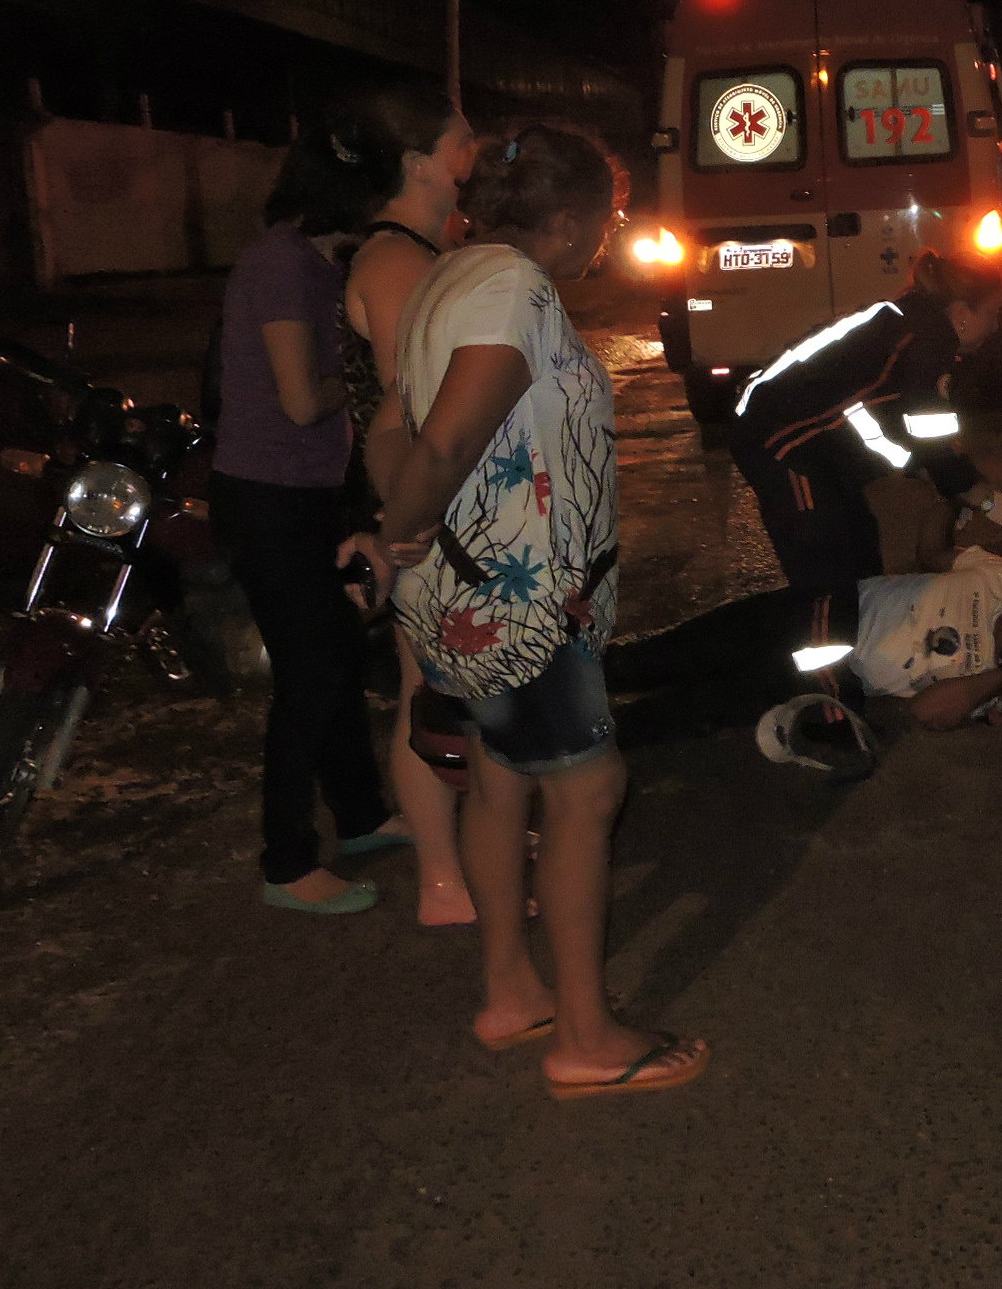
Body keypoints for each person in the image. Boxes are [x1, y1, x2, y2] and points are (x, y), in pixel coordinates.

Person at [369, 122, 708, 1099]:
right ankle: (588, 1041)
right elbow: (441, 448)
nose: (607, 239)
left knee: (498, 779)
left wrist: (399, 534)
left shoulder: (446, 275)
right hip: (516, 604)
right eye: (605, 221)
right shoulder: (511, 287)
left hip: (461, 586)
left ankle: (512, 992)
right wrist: (396, 529)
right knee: (586, 793)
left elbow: (392, 426)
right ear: (564, 220)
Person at [211, 120, 398, 914]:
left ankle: (359, 817)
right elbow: (299, 399)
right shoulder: (283, 267)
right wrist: (383, 377)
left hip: (312, 490)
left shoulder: (321, 264)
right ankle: (286, 862)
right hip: (268, 495)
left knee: (337, 659)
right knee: (311, 672)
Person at [727, 252, 1002, 702]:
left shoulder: (906, 322)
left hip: (801, 443)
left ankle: (856, 668)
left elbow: (881, 426)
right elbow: (931, 437)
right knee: (827, 578)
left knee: (860, 549)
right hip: (785, 447)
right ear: (962, 314)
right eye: (994, 312)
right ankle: (828, 708)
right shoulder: (928, 337)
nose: (998, 325)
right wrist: (981, 497)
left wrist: (946, 483)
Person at [333, 83, 482, 926]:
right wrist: (411, 520)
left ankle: (464, 859)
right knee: (426, 685)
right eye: (460, 139)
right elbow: (407, 404)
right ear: (419, 163)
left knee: (451, 678)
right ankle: (443, 880)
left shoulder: (418, 252)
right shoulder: (393, 263)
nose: (475, 149)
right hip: (414, 500)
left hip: (429, 494)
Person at [607, 506, 1002, 754]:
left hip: (834, 673)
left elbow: (928, 711)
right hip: (830, 609)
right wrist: (950, 496)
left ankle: (584, 740)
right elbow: (930, 552)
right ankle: (567, 672)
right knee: (672, 653)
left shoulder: (991, 685)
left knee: (696, 705)